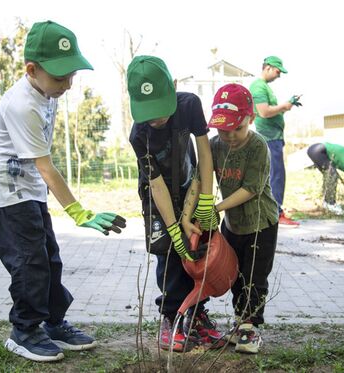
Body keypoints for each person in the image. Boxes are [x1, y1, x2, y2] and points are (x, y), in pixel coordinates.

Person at [0, 21, 126, 362]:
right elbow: (46, 166)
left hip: (28, 185)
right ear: (31, 69)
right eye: (60, 77)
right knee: (30, 261)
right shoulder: (22, 104)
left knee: (49, 257)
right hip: (5, 188)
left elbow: (40, 160)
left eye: (71, 75)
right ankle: (24, 331)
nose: (68, 84)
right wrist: (79, 212)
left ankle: (54, 322)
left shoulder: (47, 93)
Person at [127, 55, 223, 352]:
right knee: (168, 254)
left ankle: (196, 314)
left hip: (191, 189)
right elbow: (155, 184)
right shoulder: (139, 134)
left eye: (161, 110)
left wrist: (206, 200)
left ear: (174, 86)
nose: (156, 119)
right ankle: (171, 316)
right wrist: (172, 224)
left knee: (196, 248)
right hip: (158, 200)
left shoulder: (189, 105)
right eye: (149, 113)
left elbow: (205, 154)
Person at [205, 83, 279, 354]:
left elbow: (251, 188)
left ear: (251, 119)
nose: (231, 136)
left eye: (238, 128)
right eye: (224, 129)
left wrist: (217, 207)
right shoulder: (214, 146)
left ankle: (251, 328)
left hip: (261, 223)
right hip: (233, 225)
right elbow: (202, 177)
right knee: (234, 274)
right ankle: (241, 324)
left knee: (254, 277)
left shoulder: (258, 146)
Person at [250, 56, 302, 227]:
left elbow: (271, 111)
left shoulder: (265, 87)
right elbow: (263, 112)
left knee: (274, 175)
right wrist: (284, 106)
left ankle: (271, 212)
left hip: (274, 137)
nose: (278, 76)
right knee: (276, 176)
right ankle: (276, 213)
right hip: (269, 138)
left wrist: (288, 105)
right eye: (278, 72)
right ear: (268, 68)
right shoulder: (258, 86)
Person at [306, 142, 344, 215]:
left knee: (329, 175)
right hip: (319, 151)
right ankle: (330, 204)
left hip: (315, 149)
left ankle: (326, 203)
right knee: (332, 175)